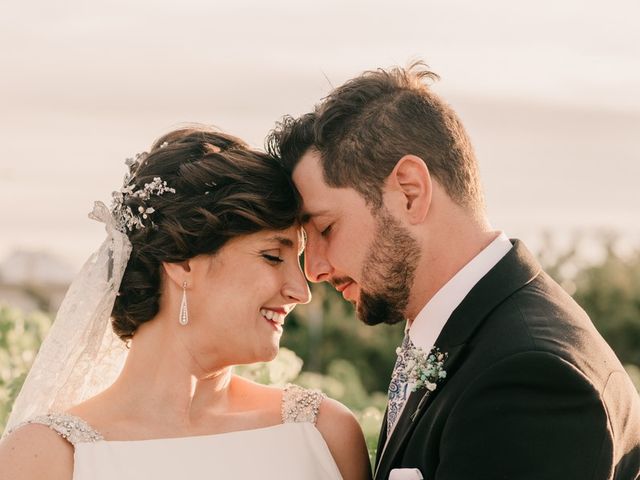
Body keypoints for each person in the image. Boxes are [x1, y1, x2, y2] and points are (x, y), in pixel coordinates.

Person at [267, 63, 640, 479]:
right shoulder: (473, 334)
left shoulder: (530, 380)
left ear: (410, 192)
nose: (314, 269)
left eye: (325, 228)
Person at [0, 126, 372, 480]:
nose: (300, 291)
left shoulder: (325, 433)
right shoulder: (47, 458)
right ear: (182, 262)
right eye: (274, 256)